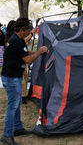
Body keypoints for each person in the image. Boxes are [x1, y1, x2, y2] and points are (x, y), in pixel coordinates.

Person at [0, 17, 48, 145]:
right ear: (21, 30)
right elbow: (28, 60)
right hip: (12, 79)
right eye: (28, 30)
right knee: (12, 106)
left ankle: (18, 128)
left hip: (10, 77)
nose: (30, 32)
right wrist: (38, 52)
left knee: (16, 105)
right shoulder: (17, 41)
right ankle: (7, 135)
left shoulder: (16, 39)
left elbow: (25, 53)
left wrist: (39, 52)